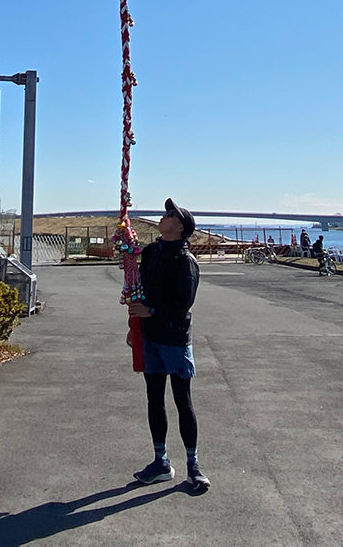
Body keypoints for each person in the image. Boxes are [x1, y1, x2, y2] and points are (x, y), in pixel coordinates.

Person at [128, 198, 210, 492]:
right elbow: (137, 281)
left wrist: (151, 311)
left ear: (180, 227)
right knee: (154, 399)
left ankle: (193, 465)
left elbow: (183, 303)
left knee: (182, 400)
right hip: (150, 337)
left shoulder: (186, 262)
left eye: (169, 215)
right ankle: (160, 461)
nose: (162, 218)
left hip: (174, 340)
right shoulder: (151, 253)